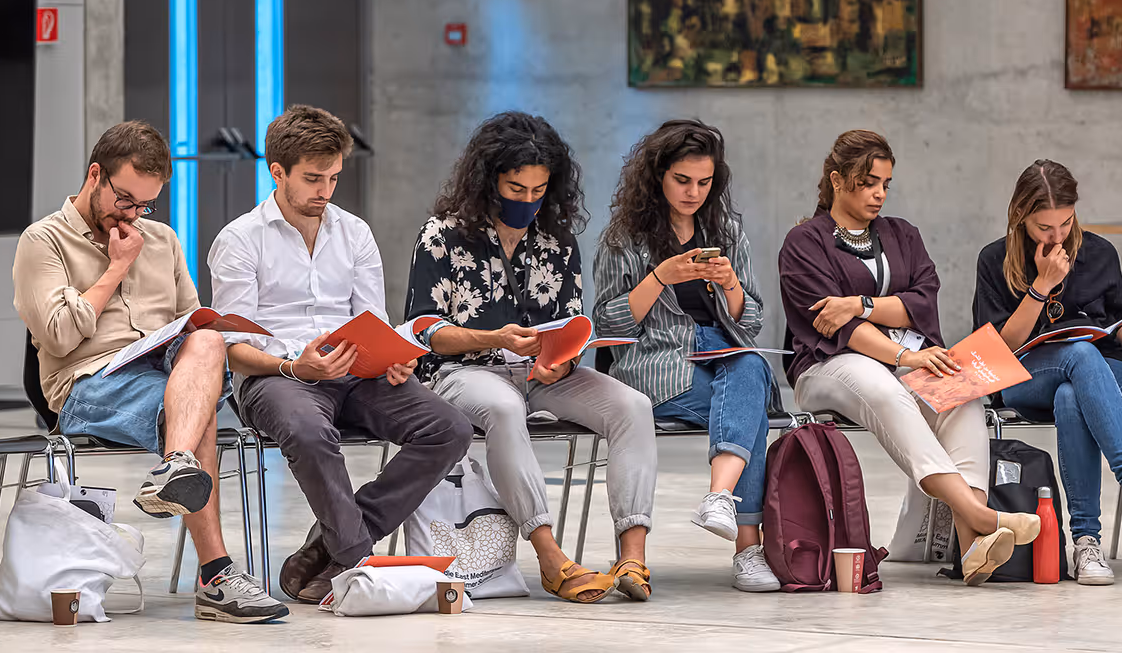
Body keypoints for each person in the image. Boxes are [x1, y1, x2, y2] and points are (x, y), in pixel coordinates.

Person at [12, 122, 287, 623]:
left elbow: (193, 318)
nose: (134, 215)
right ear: (94, 175)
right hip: (85, 382)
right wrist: (116, 268)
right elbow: (55, 338)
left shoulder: (161, 239)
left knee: (206, 340)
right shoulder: (43, 241)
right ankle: (217, 578)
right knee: (198, 412)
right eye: (124, 200)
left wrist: (197, 331)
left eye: (145, 205)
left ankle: (175, 465)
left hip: (161, 375)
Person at [208, 105, 474, 603]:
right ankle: (357, 564)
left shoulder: (354, 233)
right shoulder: (240, 241)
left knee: (449, 428)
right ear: (277, 172)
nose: (325, 191)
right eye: (313, 179)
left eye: (333, 178)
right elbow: (234, 350)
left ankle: (327, 548)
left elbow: (370, 322)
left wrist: (394, 356)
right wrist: (294, 365)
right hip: (277, 377)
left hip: (357, 373)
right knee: (310, 431)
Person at [404, 111, 657, 603]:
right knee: (504, 408)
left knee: (633, 407)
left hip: (541, 374)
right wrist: (490, 337)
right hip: (463, 372)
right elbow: (424, 330)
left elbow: (570, 322)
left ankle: (633, 556)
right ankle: (549, 556)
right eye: (516, 189)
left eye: (539, 191)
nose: (527, 201)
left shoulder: (557, 241)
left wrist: (560, 361)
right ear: (487, 180)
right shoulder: (442, 235)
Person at [779, 130, 1040, 587]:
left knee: (961, 392)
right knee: (881, 386)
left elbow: (922, 300)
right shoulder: (804, 242)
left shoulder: (902, 234)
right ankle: (981, 513)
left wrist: (858, 303)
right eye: (868, 182)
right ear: (838, 181)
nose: (880, 192)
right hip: (826, 365)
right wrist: (901, 351)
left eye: (886, 183)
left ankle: (973, 542)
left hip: (904, 358)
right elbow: (837, 328)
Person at [973, 159, 1122, 585]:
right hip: (1026, 378)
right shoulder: (994, 259)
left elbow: (1119, 345)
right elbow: (1000, 351)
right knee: (1079, 356)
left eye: (1065, 224)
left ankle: (1086, 545)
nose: (1057, 236)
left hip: (1108, 374)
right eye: (1044, 227)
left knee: (1074, 388)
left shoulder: (1099, 253)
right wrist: (1041, 288)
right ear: (1020, 217)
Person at [593, 120, 781, 593]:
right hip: (658, 365)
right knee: (750, 400)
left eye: (704, 181)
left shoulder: (726, 229)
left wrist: (730, 283)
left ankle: (719, 496)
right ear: (658, 175)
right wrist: (660, 276)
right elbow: (610, 328)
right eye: (682, 180)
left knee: (750, 368)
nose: (693, 192)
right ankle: (747, 547)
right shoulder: (624, 238)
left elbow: (751, 320)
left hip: (725, 355)